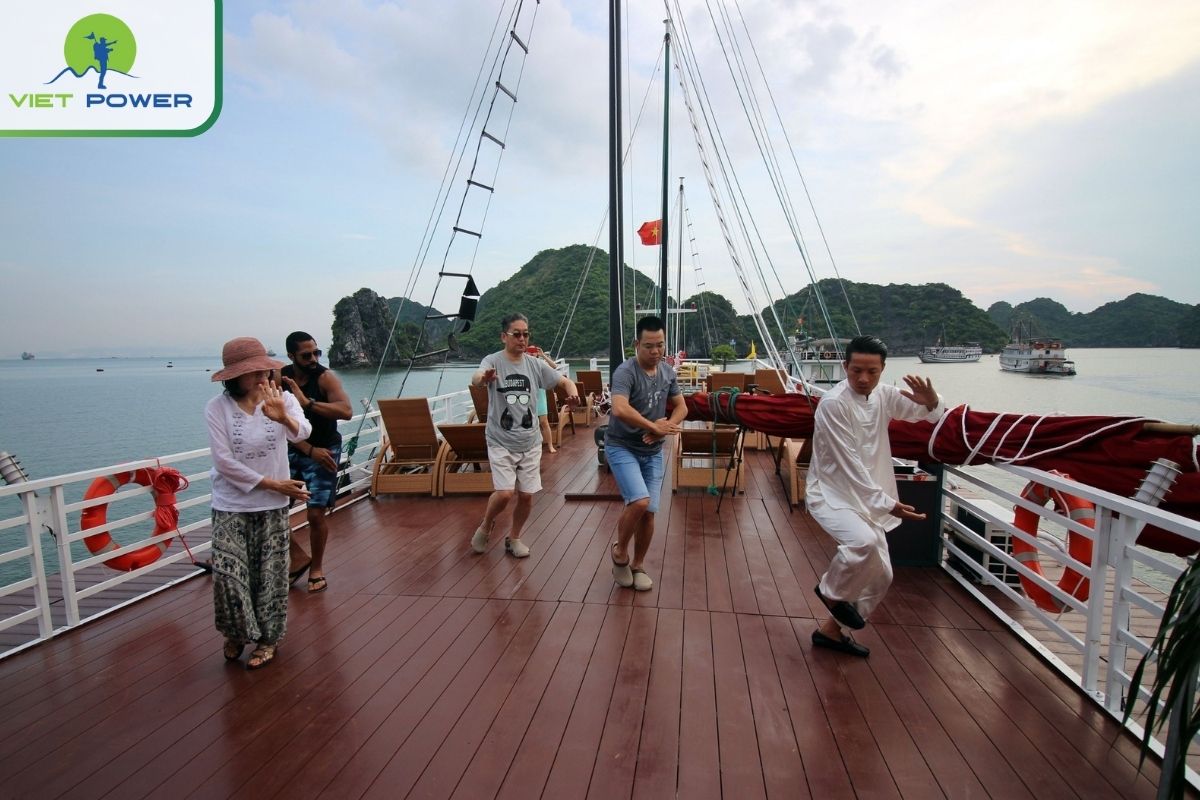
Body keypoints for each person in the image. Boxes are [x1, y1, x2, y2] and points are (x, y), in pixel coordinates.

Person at [807, 335, 944, 657]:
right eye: (856, 371)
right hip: (831, 494)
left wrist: (931, 399)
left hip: (869, 496)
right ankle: (830, 591)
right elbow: (848, 464)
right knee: (862, 544)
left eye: (872, 371)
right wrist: (887, 504)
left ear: (883, 370)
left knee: (881, 575)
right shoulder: (833, 404)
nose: (863, 379)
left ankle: (831, 631)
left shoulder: (883, 395)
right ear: (845, 367)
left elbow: (927, 413)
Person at [205, 337, 312, 669]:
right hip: (230, 503)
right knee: (229, 575)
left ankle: (268, 639)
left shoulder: (283, 398)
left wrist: (283, 418)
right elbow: (223, 461)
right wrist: (273, 483)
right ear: (234, 378)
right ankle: (236, 633)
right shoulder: (217, 408)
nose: (262, 377)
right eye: (251, 373)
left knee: (270, 575)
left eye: (264, 370)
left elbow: (303, 433)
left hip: (272, 506)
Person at [470, 313, 579, 558]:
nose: (522, 338)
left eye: (525, 334)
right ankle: (487, 525)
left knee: (527, 496)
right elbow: (477, 377)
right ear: (504, 337)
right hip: (500, 439)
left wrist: (572, 394)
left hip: (529, 441)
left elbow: (564, 382)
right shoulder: (493, 361)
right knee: (506, 493)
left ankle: (514, 537)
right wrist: (483, 378)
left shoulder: (535, 364)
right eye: (516, 334)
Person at [605, 315, 688, 591]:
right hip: (621, 446)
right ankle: (620, 552)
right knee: (639, 501)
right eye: (649, 346)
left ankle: (638, 565)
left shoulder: (667, 372)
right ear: (636, 344)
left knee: (650, 512)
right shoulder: (625, 372)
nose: (656, 352)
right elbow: (619, 408)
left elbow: (681, 408)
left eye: (660, 346)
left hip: (652, 451)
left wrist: (665, 429)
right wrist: (654, 425)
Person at [280, 332, 352, 594]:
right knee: (272, 508)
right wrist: (308, 450)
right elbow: (274, 419)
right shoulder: (281, 378)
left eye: (316, 353)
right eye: (306, 355)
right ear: (291, 356)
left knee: (315, 512)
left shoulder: (325, 377)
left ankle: (316, 568)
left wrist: (307, 402)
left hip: (325, 448)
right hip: (296, 448)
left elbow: (345, 411)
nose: (313, 359)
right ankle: (297, 558)